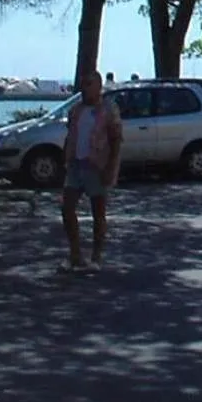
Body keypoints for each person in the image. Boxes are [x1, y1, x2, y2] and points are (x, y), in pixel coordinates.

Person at [61, 70, 123, 273]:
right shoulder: (77, 110)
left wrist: (111, 167)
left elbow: (116, 140)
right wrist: (66, 157)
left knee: (98, 212)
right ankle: (75, 254)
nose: (85, 88)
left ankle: (96, 256)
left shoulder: (108, 110)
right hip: (76, 164)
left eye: (89, 83)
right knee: (67, 207)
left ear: (98, 86)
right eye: (83, 84)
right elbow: (70, 134)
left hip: (96, 164)